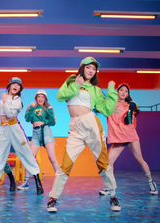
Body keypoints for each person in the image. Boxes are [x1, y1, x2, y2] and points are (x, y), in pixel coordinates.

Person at [46, 57, 121, 213]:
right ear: (82, 68)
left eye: (94, 69)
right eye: (89, 67)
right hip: (75, 127)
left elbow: (106, 110)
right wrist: (77, 85)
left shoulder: (95, 89)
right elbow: (61, 96)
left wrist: (112, 92)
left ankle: (113, 195)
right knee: (65, 164)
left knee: (102, 163)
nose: (91, 70)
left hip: (91, 124)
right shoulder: (72, 80)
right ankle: (53, 198)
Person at [99, 83, 158, 196]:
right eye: (121, 90)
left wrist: (131, 109)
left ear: (127, 94)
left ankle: (152, 184)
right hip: (119, 138)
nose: (123, 93)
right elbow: (101, 109)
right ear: (117, 92)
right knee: (108, 162)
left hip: (129, 135)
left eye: (126, 91)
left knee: (140, 160)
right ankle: (109, 187)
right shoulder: (110, 105)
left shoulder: (130, 105)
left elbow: (128, 121)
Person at [0, 77, 44, 195]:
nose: (15, 86)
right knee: (0, 156)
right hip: (3, 129)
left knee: (26, 153)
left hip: (14, 129)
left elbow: (9, 113)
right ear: (9, 86)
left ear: (20, 89)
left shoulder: (17, 100)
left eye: (18, 85)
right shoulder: (4, 98)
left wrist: (4, 101)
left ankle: (38, 183)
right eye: (13, 84)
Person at [17, 90, 60, 190]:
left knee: (52, 158)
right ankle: (26, 182)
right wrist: (31, 108)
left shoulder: (48, 108)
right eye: (38, 97)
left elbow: (52, 123)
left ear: (45, 99)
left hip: (46, 132)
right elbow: (27, 119)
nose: (40, 99)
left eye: (42, 97)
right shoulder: (32, 107)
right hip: (35, 134)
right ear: (36, 98)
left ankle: (60, 180)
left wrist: (49, 110)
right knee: (30, 157)